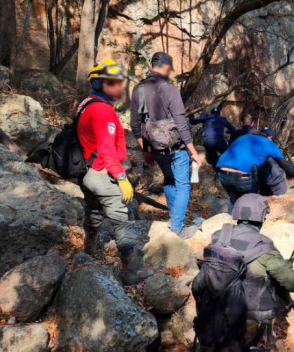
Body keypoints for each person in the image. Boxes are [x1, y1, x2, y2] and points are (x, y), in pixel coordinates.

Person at [201, 194, 294, 352]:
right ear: (261, 218)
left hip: (216, 309)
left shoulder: (220, 237)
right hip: (251, 314)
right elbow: (291, 282)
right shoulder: (263, 247)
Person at [77, 58, 155, 286]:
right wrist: (121, 178)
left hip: (87, 172)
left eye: (119, 82)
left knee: (93, 209)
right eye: (112, 83)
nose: (118, 87)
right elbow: (106, 148)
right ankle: (132, 273)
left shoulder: (86, 104)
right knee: (123, 220)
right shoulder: (102, 111)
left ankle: (89, 248)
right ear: (99, 84)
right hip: (102, 172)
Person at [131, 52, 203, 239]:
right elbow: (181, 122)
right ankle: (177, 228)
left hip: (155, 147)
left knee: (169, 180)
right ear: (165, 67)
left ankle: (175, 219)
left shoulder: (138, 90)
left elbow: (136, 125)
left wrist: (145, 150)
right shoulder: (170, 89)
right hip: (175, 147)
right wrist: (193, 151)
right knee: (183, 185)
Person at [216, 130, 294, 212]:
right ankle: (247, 223)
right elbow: (284, 164)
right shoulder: (269, 144)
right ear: (270, 138)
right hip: (242, 176)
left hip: (222, 173)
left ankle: (230, 221)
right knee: (250, 202)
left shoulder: (245, 137)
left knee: (234, 201)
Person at [258, 127, 288, 196]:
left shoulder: (272, 150)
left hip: (277, 188)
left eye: (263, 136)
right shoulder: (273, 149)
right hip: (264, 188)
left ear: (271, 138)